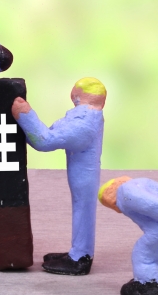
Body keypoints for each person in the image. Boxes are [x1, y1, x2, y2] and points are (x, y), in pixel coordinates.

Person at [11, 77, 106, 275]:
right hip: (81, 173)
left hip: (84, 176)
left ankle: (80, 257)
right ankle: (78, 251)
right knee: (82, 208)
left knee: (83, 208)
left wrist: (25, 115)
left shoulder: (85, 121)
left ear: (77, 94)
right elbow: (47, 134)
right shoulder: (81, 116)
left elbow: (45, 141)